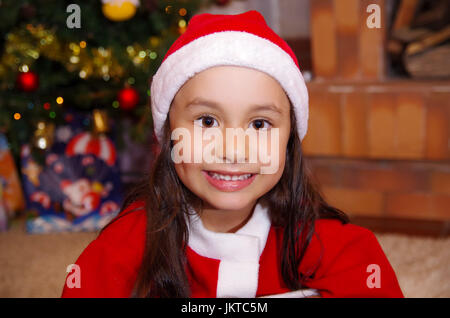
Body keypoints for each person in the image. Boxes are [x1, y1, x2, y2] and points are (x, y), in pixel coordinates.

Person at [61, 10, 404, 298]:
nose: (232, 149)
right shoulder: (132, 237)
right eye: (207, 121)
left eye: (259, 124)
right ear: (169, 137)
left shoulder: (321, 240)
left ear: (289, 141)